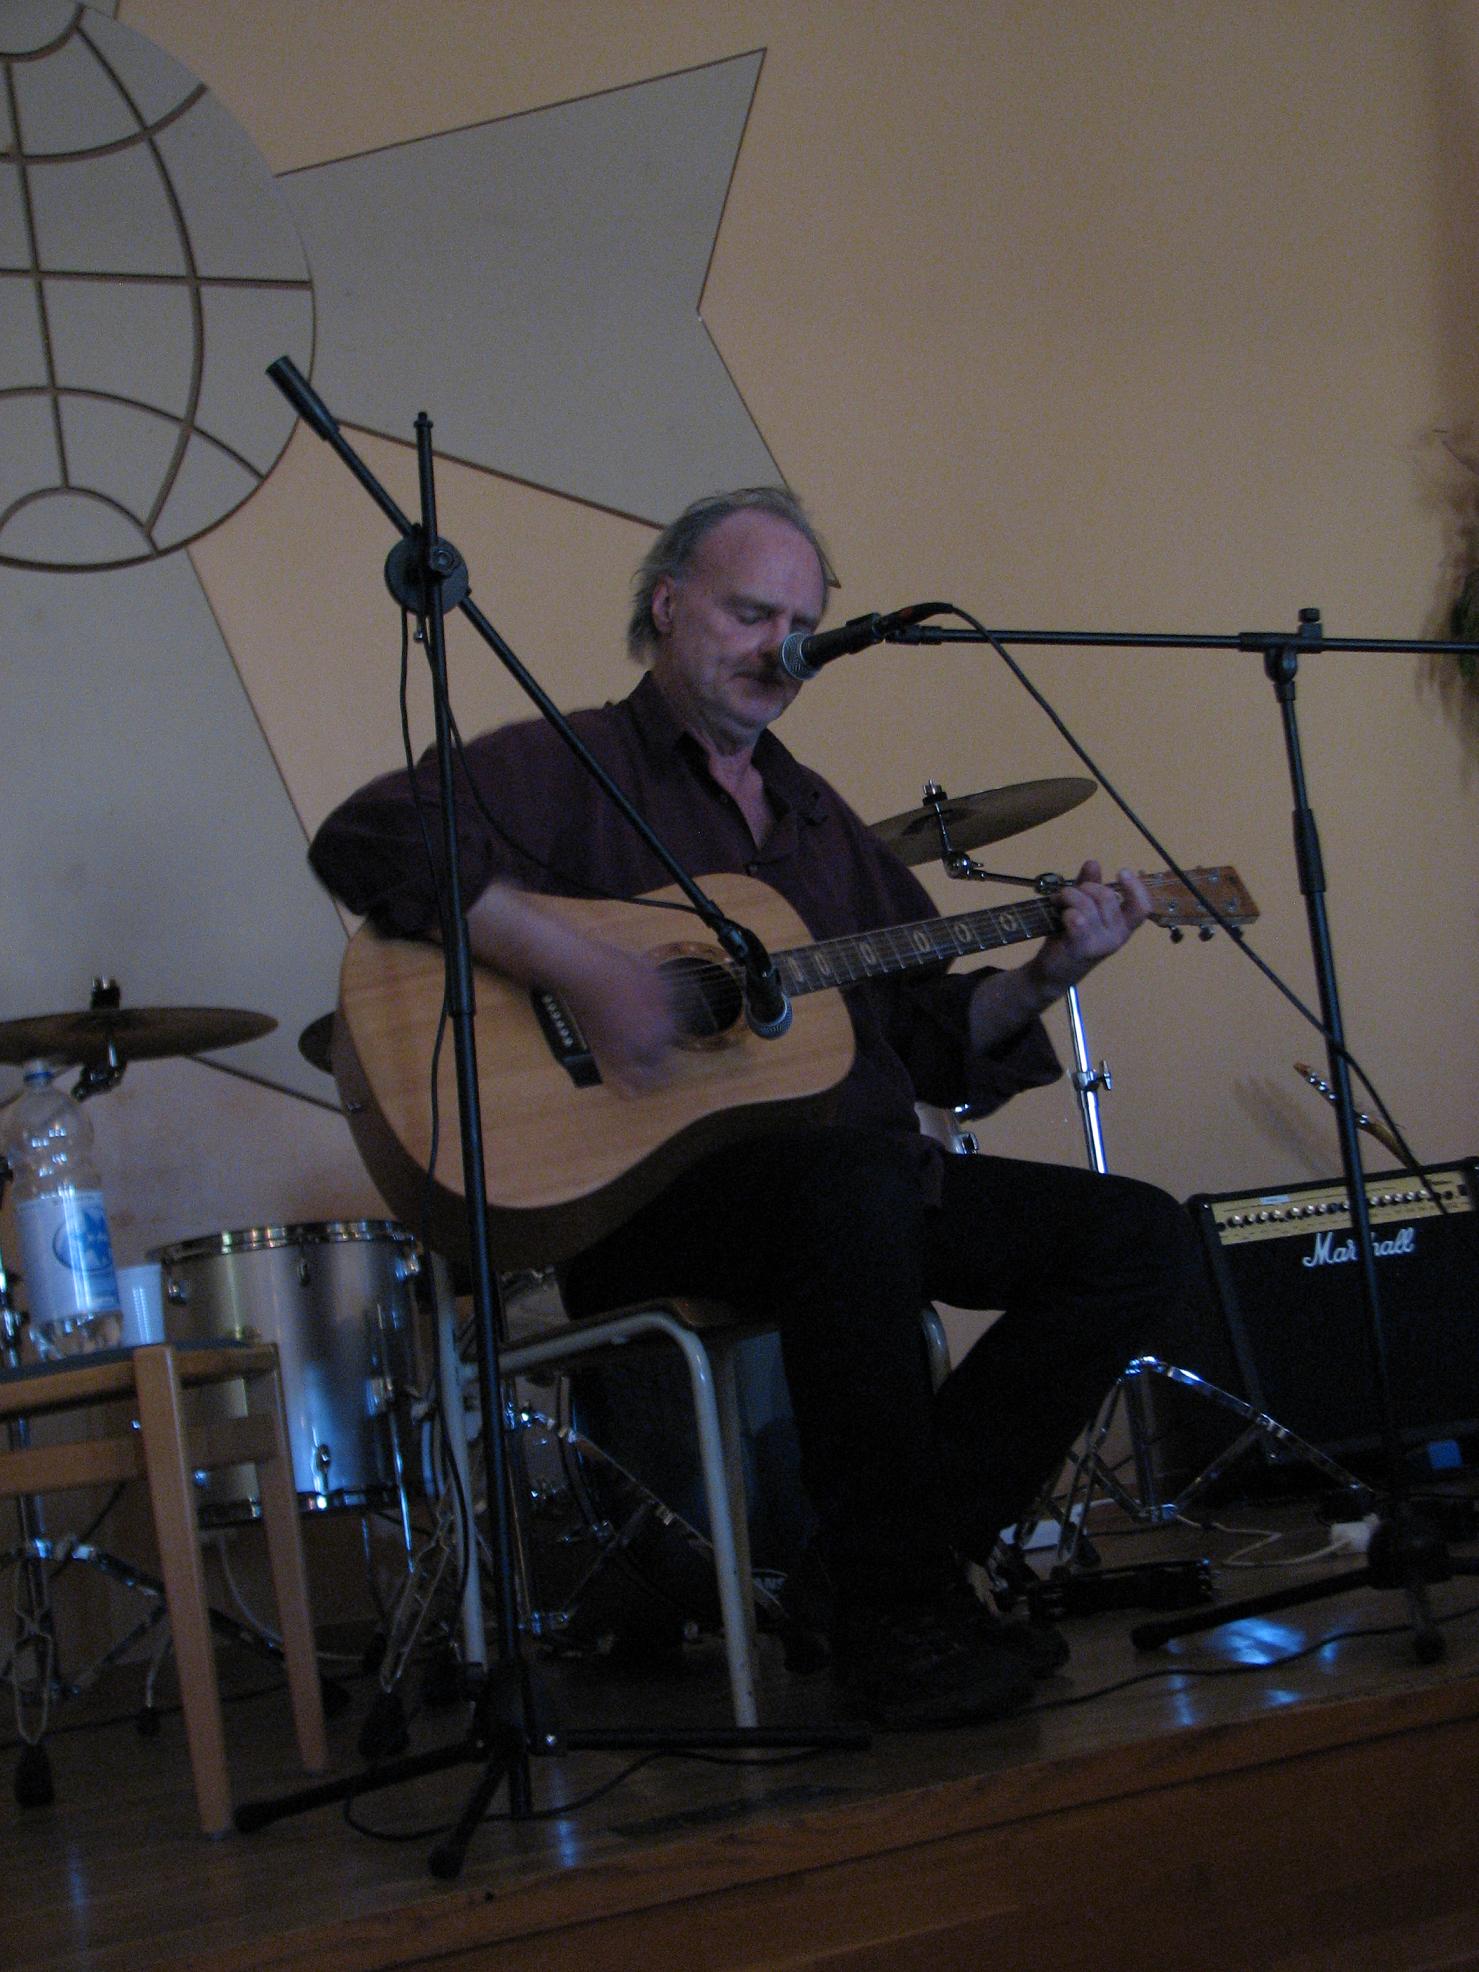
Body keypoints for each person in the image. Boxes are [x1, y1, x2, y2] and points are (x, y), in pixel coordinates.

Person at [310, 486, 1200, 1729]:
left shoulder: (819, 823)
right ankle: (900, 1618)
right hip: (648, 1202)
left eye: (801, 626)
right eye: (749, 614)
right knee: (857, 1184)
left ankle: (877, 1565)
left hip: (853, 1193)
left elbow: (927, 1039)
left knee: (1140, 1236)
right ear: (668, 607)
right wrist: (582, 968)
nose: (781, 648)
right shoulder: (573, 766)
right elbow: (365, 840)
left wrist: (1050, 973)